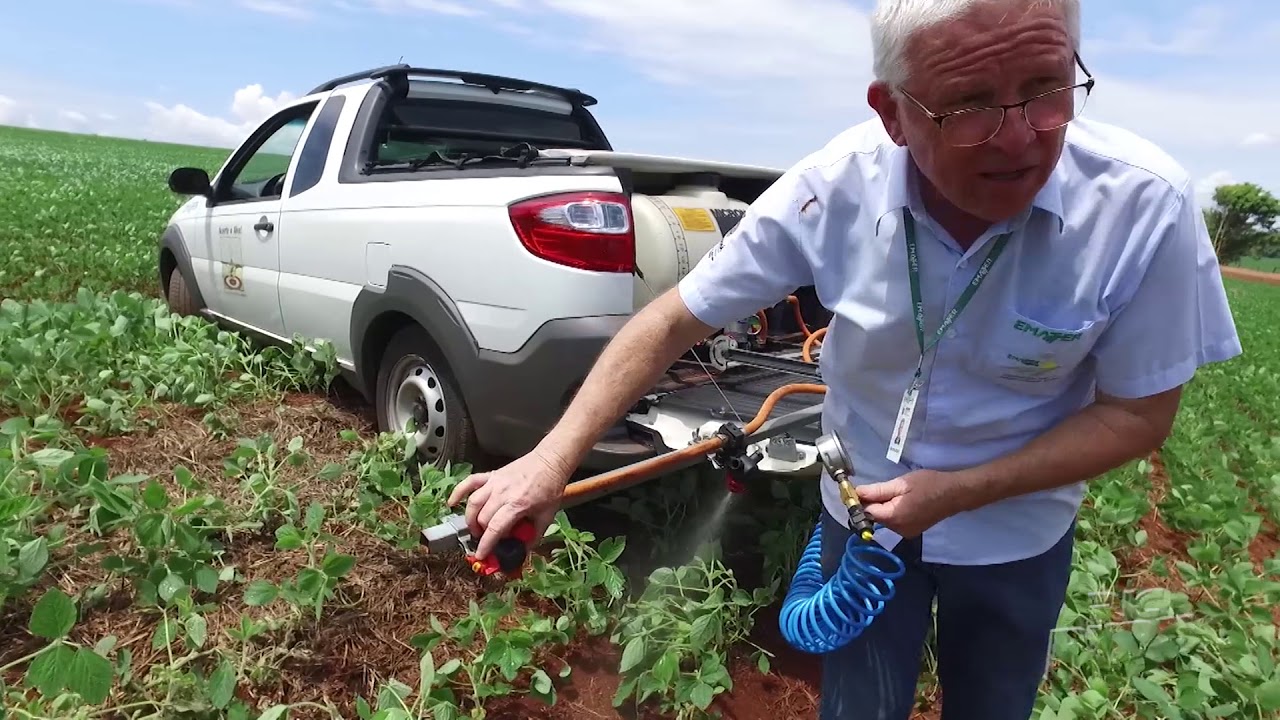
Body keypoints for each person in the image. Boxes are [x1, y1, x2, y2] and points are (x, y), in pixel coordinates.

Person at [448, 0, 1244, 716]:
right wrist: (549, 461)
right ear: (893, 114)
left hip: (1018, 531)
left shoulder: (1144, 207)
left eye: (1046, 89)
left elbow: (1138, 414)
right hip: (858, 516)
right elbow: (668, 323)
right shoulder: (829, 192)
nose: (1019, 137)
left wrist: (962, 491)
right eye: (967, 105)